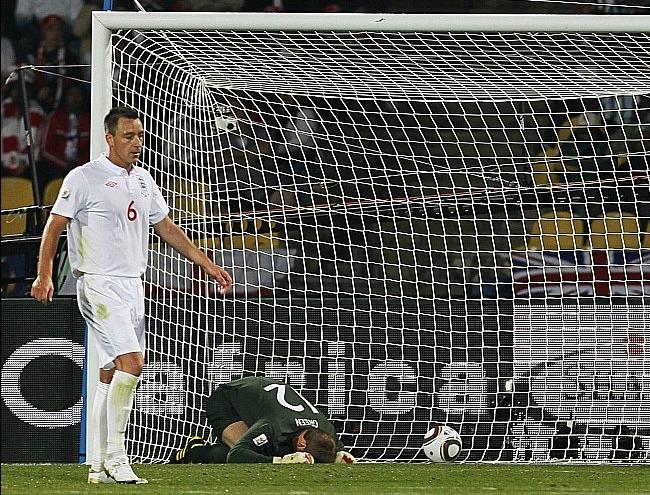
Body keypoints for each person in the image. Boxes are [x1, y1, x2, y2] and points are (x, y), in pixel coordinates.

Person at [30, 106, 233, 484]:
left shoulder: (143, 179)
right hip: (98, 283)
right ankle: (118, 456)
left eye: (140, 136)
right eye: (128, 136)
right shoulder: (84, 177)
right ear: (109, 138)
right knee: (133, 363)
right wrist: (44, 276)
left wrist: (205, 262)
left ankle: (97, 465)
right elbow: (54, 227)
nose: (137, 143)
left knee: (110, 373)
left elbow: (167, 227)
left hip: (132, 285)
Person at [169, 376, 357, 465]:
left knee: (264, 449)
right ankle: (194, 452)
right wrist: (280, 461)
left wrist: (341, 455)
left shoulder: (326, 430)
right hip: (228, 401)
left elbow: (335, 449)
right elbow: (237, 455)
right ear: (301, 444)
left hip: (260, 401)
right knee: (243, 452)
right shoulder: (274, 426)